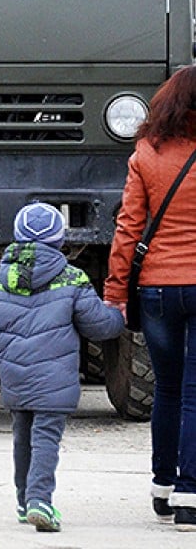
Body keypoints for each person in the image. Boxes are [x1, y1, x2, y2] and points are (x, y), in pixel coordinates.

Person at [0, 202, 124, 532]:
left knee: (22, 438)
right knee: (45, 440)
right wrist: (119, 315)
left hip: (14, 378)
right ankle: (40, 500)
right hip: (54, 382)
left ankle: (24, 499)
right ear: (59, 240)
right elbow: (99, 326)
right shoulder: (72, 279)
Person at [104, 65, 196, 531]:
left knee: (168, 389)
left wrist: (115, 291)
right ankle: (190, 495)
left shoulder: (146, 154)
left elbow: (127, 229)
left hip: (157, 286)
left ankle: (162, 487)